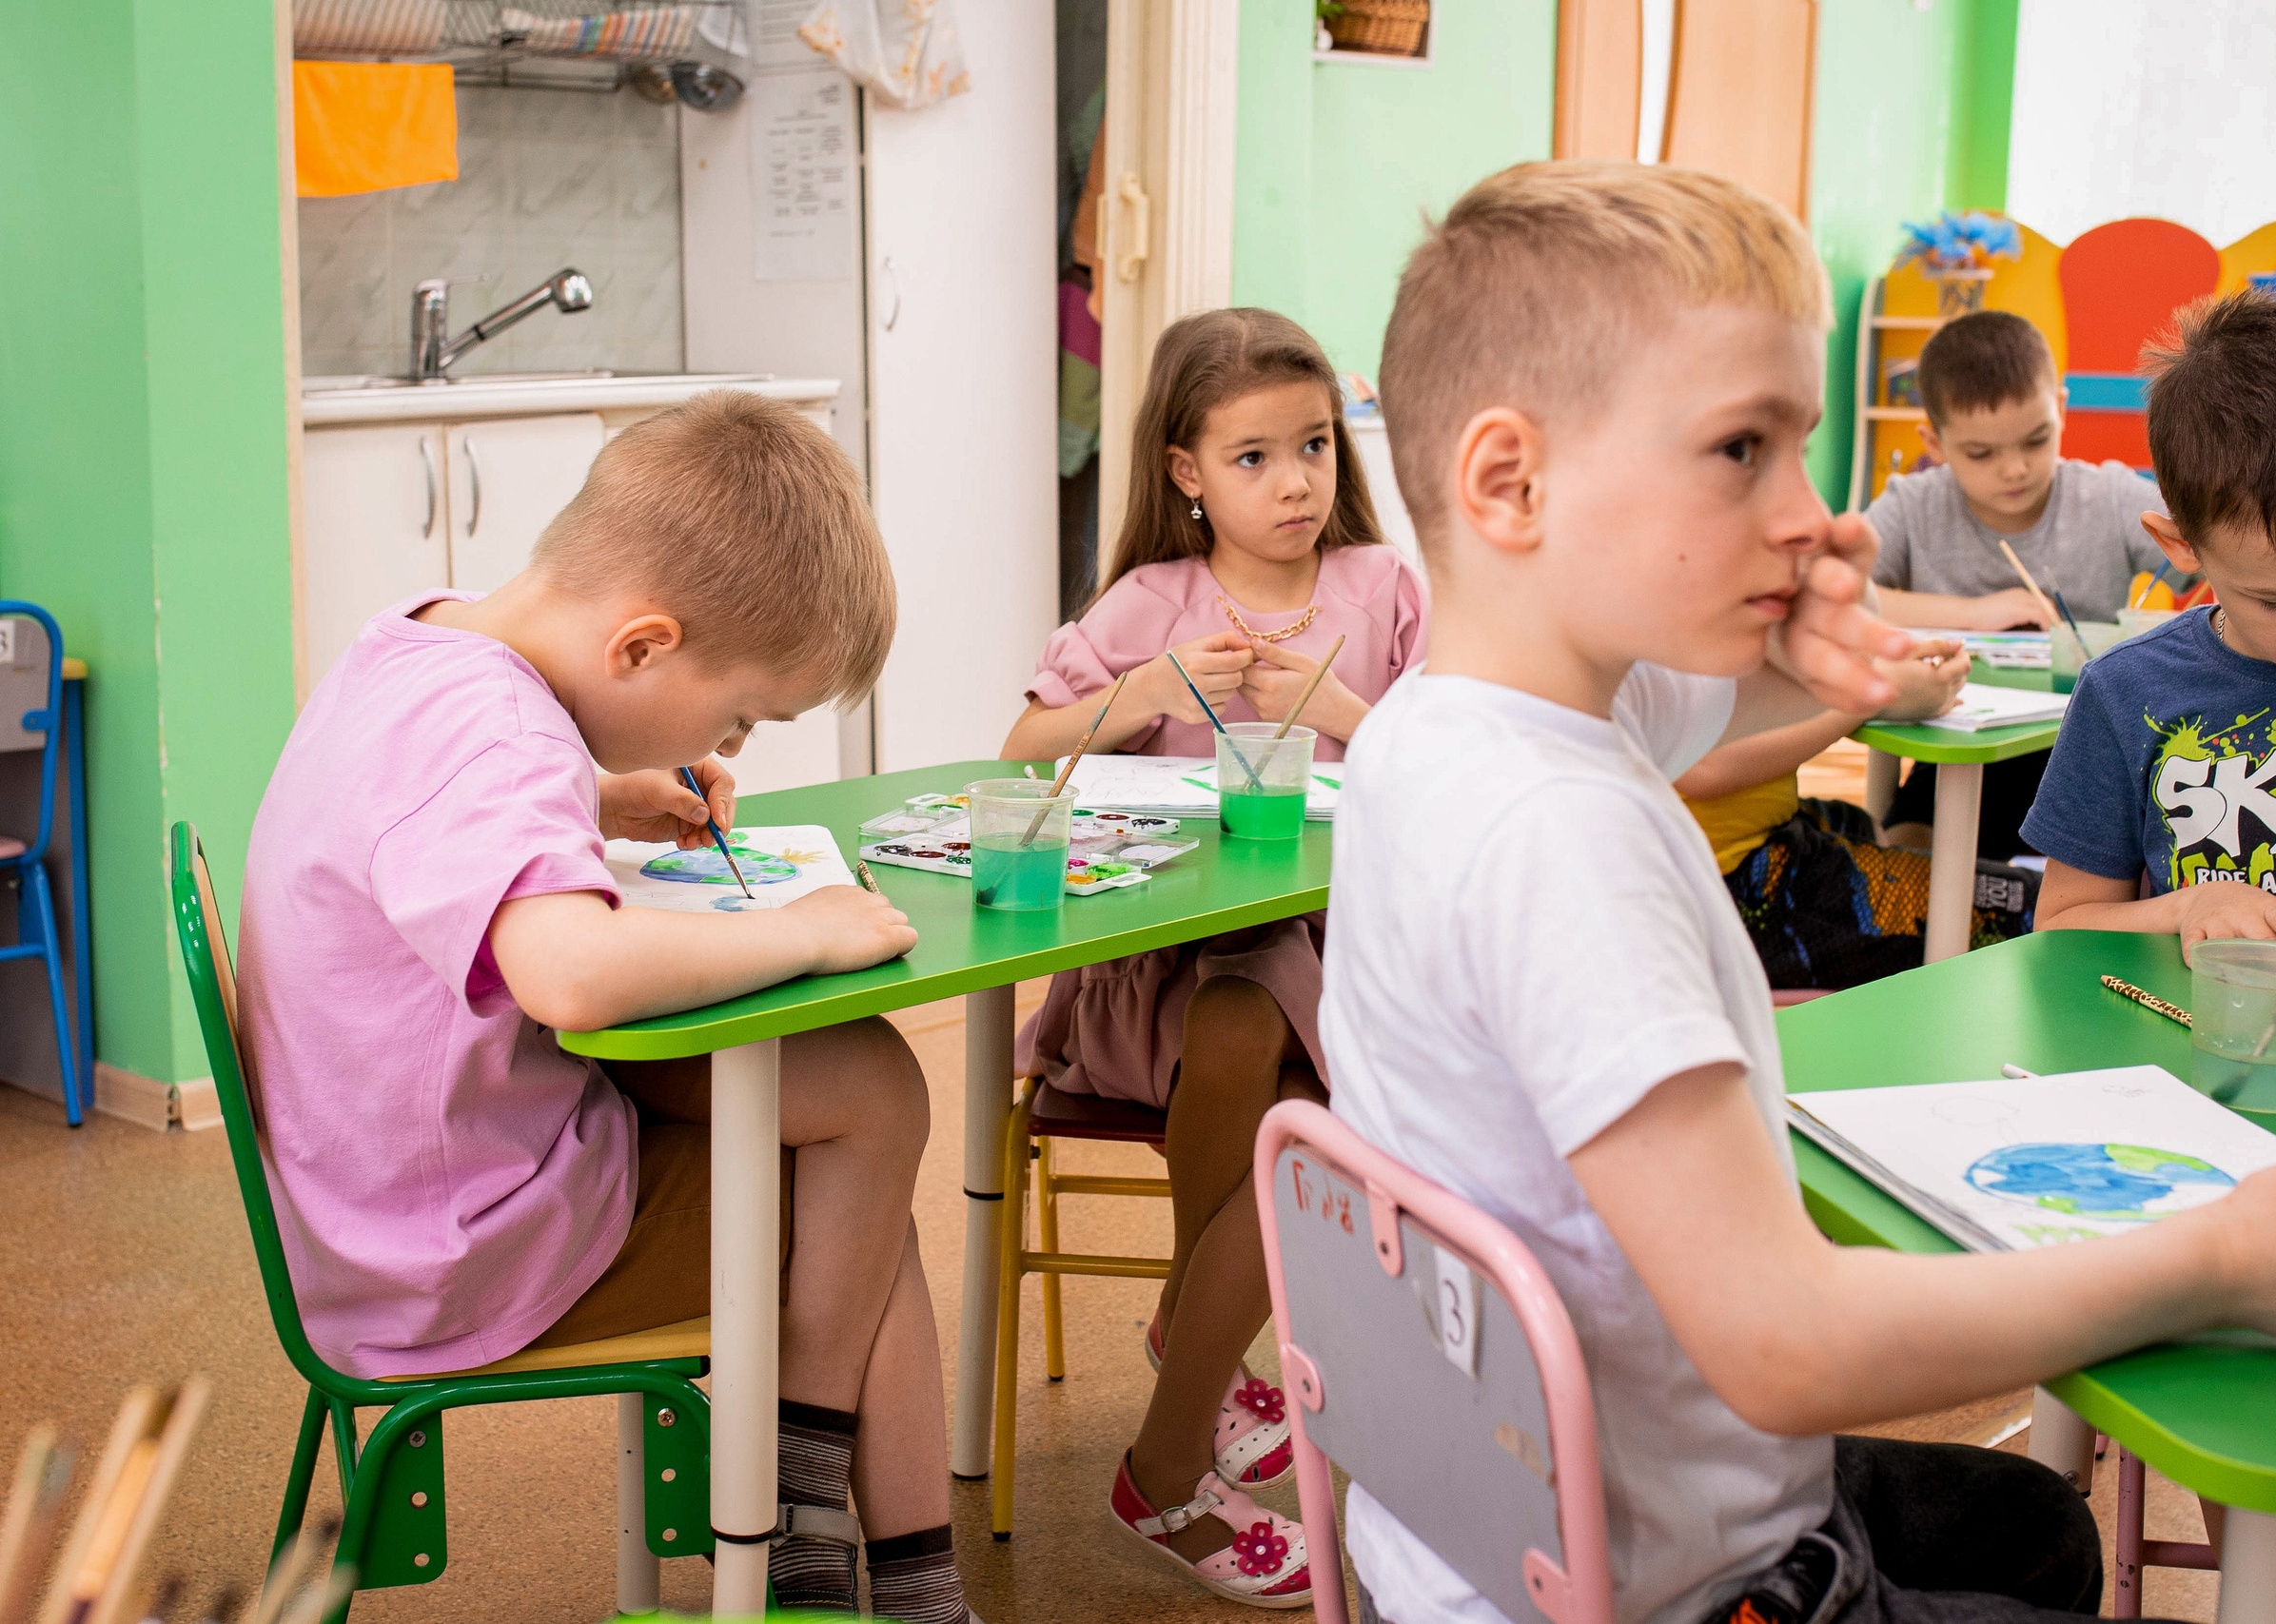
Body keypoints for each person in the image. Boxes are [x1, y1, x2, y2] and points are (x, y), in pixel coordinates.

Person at [1324, 160, 2276, 1624]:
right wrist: (2214, 1260)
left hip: (1487, 1524)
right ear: (1511, 481)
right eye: (1744, 451)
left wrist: (1805, 646)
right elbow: (1787, 1341)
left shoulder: (1447, 720)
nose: (1816, 514)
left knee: (2035, 1527)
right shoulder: (1558, 839)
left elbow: (1695, 710)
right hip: (1675, 1580)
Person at [239, 392, 978, 1622]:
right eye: (740, 710)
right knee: (865, 1195)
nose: (732, 738)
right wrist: (800, 927)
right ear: (639, 645)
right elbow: (569, 972)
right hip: (452, 1238)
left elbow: (449, 819)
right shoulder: (497, 737)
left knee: (862, 1095)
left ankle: (825, 1525)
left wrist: (599, 801)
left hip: (391, 1180)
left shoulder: (424, 644)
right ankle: (867, 1563)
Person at [999, 306, 1424, 1607]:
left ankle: (1182, 1365)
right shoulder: (1152, 601)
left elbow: (1450, 762)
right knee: (1259, 1059)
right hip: (1152, 978)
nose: (1297, 481)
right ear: (1186, 472)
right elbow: (1020, 753)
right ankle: (1184, 1415)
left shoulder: (1383, 589)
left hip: (1321, 954)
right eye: (1253, 457)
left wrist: (1334, 707)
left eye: (1315, 444)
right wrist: (1153, 690)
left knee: (1273, 1062)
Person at [2026, 289, 2276, 957]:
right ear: (2183, 548)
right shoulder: (2128, 695)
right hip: (2200, 1053)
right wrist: (2190, 904)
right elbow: (2062, 924)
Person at [1871, 311, 2181, 856]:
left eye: (2036, 441)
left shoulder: (2107, 497)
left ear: (2061, 410)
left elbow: (2209, 554)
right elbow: (1843, 596)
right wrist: (1974, 613)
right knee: (1907, 850)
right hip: (1956, 752)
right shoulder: (1913, 505)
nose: (2014, 469)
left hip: (2086, 757)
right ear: (1935, 443)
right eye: (1981, 453)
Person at [1674, 643, 2041, 988]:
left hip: (1732, 839)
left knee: (1862, 825)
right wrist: (1867, 694)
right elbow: (1703, 764)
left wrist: (1868, 668)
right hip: (1720, 891)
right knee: (2040, 914)